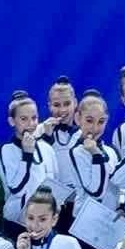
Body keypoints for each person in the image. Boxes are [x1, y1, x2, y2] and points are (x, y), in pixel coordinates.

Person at [67, 90, 125, 249]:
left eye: (101, 122)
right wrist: (95, 154)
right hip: (86, 228)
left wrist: (123, 205)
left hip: (109, 228)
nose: (95, 127)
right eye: (89, 120)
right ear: (78, 119)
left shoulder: (110, 151)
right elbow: (96, 189)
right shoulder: (77, 151)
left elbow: (119, 184)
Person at [0, 91, 59, 232]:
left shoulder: (46, 148)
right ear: (12, 121)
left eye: (34, 118)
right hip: (17, 222)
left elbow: (55, 182)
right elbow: (17, 189)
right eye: (24, 119)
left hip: (44, 221)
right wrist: (27, 154)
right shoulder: (6, 149)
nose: (31, 124)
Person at [37, 76, 81, 204]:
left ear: (75, 103)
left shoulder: (83, 133)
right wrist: (46, 139)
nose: (62, 110)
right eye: (56, 105)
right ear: (49, 106)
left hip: (78, 201)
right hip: (51, 201)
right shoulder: (39, 131)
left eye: (67, 104)